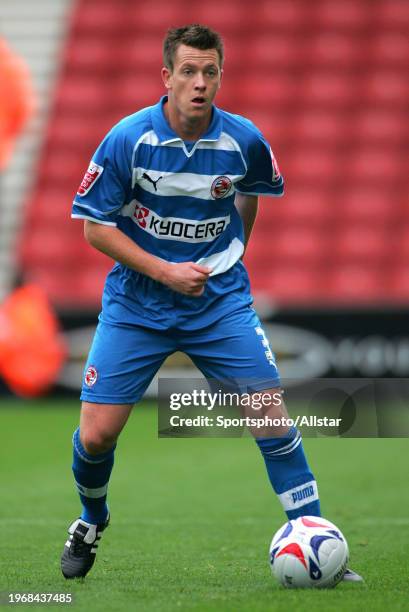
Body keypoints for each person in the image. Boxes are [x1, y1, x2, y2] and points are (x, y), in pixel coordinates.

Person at [61, 24, 362, 582]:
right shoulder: (129, 138)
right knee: (98, 434)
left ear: (220, 76)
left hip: (217, 303)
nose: (200, 83)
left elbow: (254, 192)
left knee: (270, 418)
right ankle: (91, 519)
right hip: (138, 304)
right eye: (189, 71)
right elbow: (93, 228)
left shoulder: (243, 139)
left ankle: (317, 542)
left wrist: (230, 252)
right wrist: (165, 271)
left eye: (210, 72)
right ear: (167, 77)